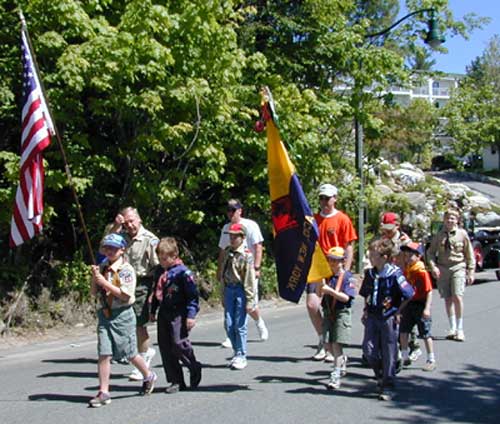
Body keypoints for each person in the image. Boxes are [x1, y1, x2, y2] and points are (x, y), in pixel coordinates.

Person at [89, 233, 157, 407]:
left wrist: (104, 282)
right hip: (105, 314)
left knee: (129, 353)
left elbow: (126, 295)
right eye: (107, 248)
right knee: (104, 352)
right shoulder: (103, 266)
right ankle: (104, 391)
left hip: (123, 314)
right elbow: (93, 292)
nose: (109, 251)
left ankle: (148, 375)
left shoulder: (126, 270)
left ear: (122, 250)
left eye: (113, 248)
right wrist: (95, 278)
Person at [105, 207, 160, 380]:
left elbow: (158, 267)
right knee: (123, 321)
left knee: (138, 323)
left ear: (139, 220)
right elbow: (105, 246)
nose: (129, 225)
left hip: (141, 284)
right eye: (126, 222)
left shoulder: (150, 240)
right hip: (119, 284)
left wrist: (155, 292)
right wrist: (116, 226)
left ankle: (143, 359)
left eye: (132, 221)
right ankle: (135, 353)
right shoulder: (121, 237)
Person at [360, 239, 414, 401]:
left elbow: (408, 294)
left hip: (388, 316)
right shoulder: (370, 274)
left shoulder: (394, 274)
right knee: (368, 349)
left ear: (384, 257)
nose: (370, 257)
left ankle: (388, 384)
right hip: (372, 315)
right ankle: (380, 373)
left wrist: (398, 311)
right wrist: (365, 309)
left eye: (373, 254)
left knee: (388, 350)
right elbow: (366, 293)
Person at [309, 183, 357, 361]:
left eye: (327, 198)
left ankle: (332, 347)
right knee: (312, 305)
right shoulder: (314, 220)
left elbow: (349, 246)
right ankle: (324, 341)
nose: (324, 201)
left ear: (335, 198)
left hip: (336, 269)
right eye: (321, 198)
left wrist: (346, 270)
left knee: (333, 309)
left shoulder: (342, 219)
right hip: (318, 269)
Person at [149, 237, 202, 393]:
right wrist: (153, 311)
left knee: (178, 343)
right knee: (165, 346)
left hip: (179, 312)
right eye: (159, 258)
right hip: (164, 311)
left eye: (164, 258)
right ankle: (176, 380)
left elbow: (192, 296)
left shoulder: (183, 273)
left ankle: (193, 365)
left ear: (174, 256)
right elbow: (156, 292)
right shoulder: (160, 271)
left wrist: (191, 315)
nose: (161, 261)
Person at [217, 199, 268, 348]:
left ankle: (259, 323)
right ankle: (230, 335)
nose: (230, 213)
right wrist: (219, 269)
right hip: (231, 272)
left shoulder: (250, 225)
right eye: (228, 210)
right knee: (229, 305)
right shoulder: (226, 228)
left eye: (233, 210)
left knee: (250, 305)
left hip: (247, 271)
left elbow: (258, 246)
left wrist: (257, 268)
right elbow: (222, 250)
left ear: (240, 210)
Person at [426, 208, 475, 342]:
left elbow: (469, 254)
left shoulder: (462, 234)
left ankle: (460, 329)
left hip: (458, 267)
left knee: (457, 296)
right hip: (443, 269)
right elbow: (430, 253)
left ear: (457, 220)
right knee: (447, 299)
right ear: (444, 220)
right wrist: (433, 267)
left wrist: (471, 271)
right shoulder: (439, 235)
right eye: (448, 218)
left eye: (453, 218)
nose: (450, 221)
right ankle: (452, 327)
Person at [379, 211, 421, 365]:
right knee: (392, 313)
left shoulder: (404, 241)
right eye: (384, 228)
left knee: (405, 314)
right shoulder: (384, 240)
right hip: (389, 281)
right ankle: (394, 346)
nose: (387, 231)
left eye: (389, 228)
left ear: (397, 225)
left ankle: (413, 344)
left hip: (403, 280)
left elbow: (410, 261)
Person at [317, 247, 357, 390]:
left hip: (341, 313)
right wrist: (319, 285)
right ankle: (341, 360)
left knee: (336, 344)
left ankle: (336, 374)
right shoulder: (327, 276)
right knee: (326, 343)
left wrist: (331, 291)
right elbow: (319, 293)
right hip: (328, 312)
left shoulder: (347, 277)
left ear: (342, 261)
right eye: (330, 260)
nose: (332, 263)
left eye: (335, 260)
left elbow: (347, 297)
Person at [220, 223, 256, 370]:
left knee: (239, 325)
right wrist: (222, 292)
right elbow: (223, 273)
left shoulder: (246, 255)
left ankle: (241, 354)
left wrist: (250, 299)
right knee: (229, 324)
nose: (232, 239)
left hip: (240, 290)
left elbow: (249, 279)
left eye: (235, 236)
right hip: (229, 289)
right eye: (230, 236)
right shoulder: (228, 251)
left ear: (242, 237)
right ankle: (236, 352)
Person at [399, 242, 436, 372]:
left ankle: (431, 359)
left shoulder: (421, 272)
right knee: (403, 331)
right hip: (408, 305)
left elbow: (429, 291)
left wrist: (427, 308)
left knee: (425, 333)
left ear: (418, 256)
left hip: (420, 305)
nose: (407, 258)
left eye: (411, 256)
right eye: (405, 255)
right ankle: (404, 356)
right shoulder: (405, 271)